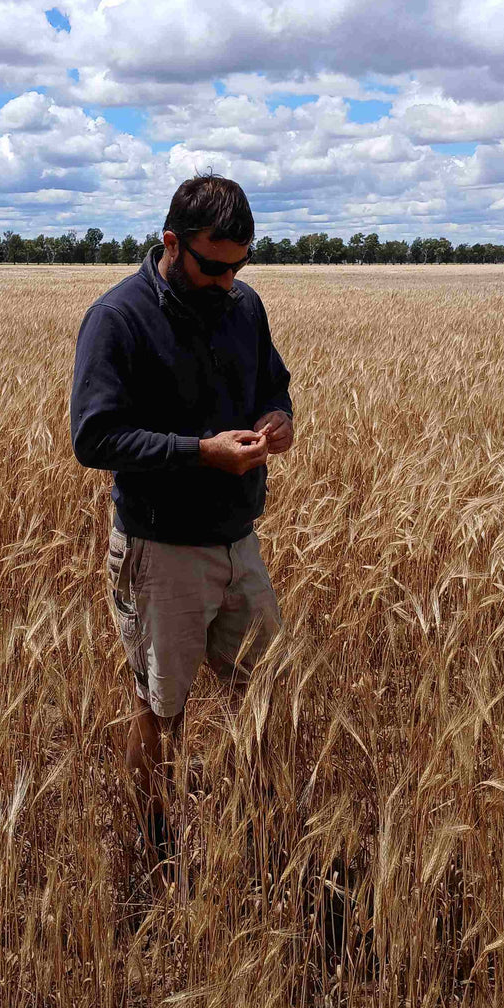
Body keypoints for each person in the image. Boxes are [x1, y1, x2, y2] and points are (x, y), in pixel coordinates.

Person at [70, 173, 294, 874]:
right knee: (160, 708)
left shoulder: (243, 306)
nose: (229, 280)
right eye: (214, 264)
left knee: (268, 692)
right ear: (172, 243)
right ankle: (153, 846)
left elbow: (273, 384)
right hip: (160, 549)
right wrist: (201, 453)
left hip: (238, 541)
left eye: (241, 264)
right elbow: (94, 437)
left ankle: (267, 835)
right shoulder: (119, 318)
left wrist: (277, 420)